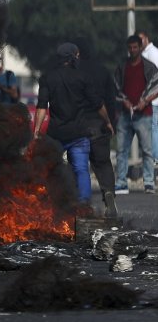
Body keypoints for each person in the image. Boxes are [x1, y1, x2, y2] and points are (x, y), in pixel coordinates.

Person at [33, 43, 114, 214]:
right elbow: (98, 103)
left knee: (51, 169)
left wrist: (37, 131)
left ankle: (50, 205)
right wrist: (107, 121)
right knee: (81, 169)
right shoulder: (82, 77)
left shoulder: (48, 78)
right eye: (76, 55)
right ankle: (84, 206)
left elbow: (41, 106)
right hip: (78, 134)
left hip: (56, 135)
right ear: (72, 57)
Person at [72, 37, 119, 219]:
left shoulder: (74, 71)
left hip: (80, 124)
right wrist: (111, 124)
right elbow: (111, 100)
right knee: (103, 163)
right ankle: (108, 195)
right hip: (100, 123)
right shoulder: (103, 71)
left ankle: (81, 203)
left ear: (78, 53)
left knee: (79, 165)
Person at [114, 35, 158, 194]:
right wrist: (123, 101)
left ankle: (148, 182)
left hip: (144, 114)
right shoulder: (122, 67)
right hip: (125, 114)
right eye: (130, 48)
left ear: (140, 48)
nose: (132, 50)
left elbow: (156, 86)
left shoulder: (149, 67)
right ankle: (120, 182)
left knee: (146, 150)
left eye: (135, 47)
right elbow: (116, 87)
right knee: (121, 150)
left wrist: (145, 101)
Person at [137, 29, 158, 167]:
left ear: (147, 38)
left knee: (153, 128)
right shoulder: (143, 54)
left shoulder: (153, 53)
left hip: (153, 100)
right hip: (145, 101)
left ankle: (155, 158)